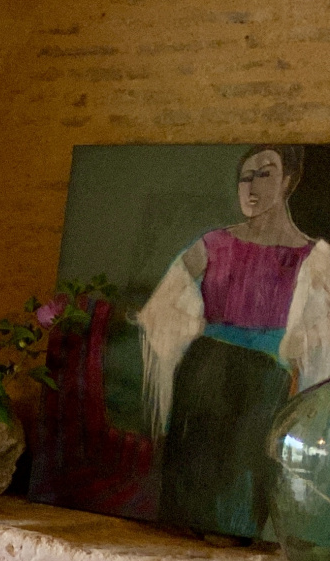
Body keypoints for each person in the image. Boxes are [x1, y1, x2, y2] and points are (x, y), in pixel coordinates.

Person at [137, 144, 330, 537]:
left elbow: (321, 336)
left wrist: (290, 351)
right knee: (189, 488)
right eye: (245, 177)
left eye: (265, 174)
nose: (252, 187)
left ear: (289, 181)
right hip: (205, 374)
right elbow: (158, 310)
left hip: (265, 383)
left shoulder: (314, 257)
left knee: (244, 492)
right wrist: (195, 329)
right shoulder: (213, 244)